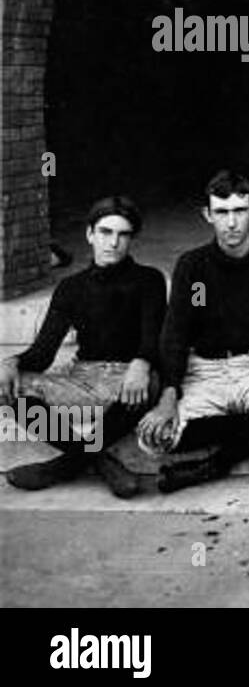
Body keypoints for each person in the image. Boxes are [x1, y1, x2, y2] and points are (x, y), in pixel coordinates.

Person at [136, 171, 249, 491]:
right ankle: (247, 435)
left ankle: (213, 466)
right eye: (222, 212)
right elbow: (175, 333)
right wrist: (169, 394)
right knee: (154, 439)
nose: (231, 223)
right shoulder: (193, 266)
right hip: (205, 371)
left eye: (239, 211)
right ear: (207, 215)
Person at [1, 196, 165, 497]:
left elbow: (153, 340)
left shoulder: (149, 280)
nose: (113, 242)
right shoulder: (70, 288)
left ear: (131, 239)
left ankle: (57, 468)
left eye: (123, 234)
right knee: (10, 389)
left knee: (150, 383)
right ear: (90, 234)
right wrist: (11, 362)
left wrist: (142, 362)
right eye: (105, 232)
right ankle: (98, 461)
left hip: (127, 379)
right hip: (81, 377)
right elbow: (42, 354)